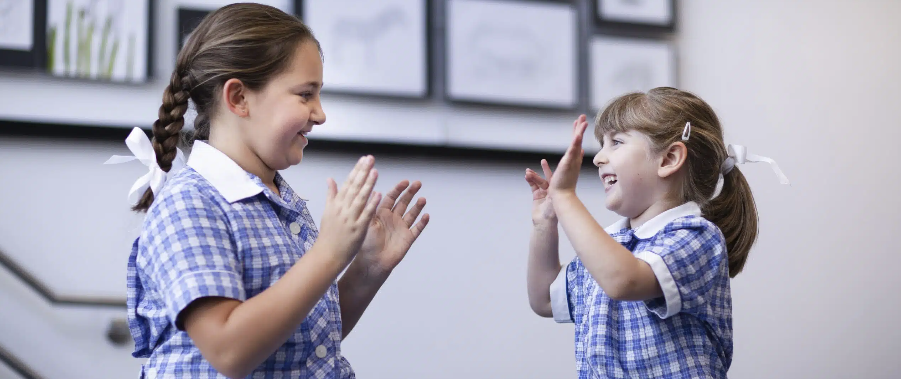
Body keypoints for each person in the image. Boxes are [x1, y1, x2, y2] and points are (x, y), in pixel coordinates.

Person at [107, 4, 429, 378]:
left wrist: (367, 268)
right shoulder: (189, 204)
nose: (320, 114)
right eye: (305, 94)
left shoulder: (280, 199)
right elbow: (229, 350)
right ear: (239, 98)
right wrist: (328, 253)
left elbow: (304, 338)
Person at [525, 87, 789, 378]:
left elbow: (625, 281)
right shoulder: (611, 246)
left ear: (668, 159)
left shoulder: (697, 237)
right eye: (602, 144)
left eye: (616, 142)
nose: (599, 157)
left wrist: (566, 198)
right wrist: (545, 224)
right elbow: (545, 300)